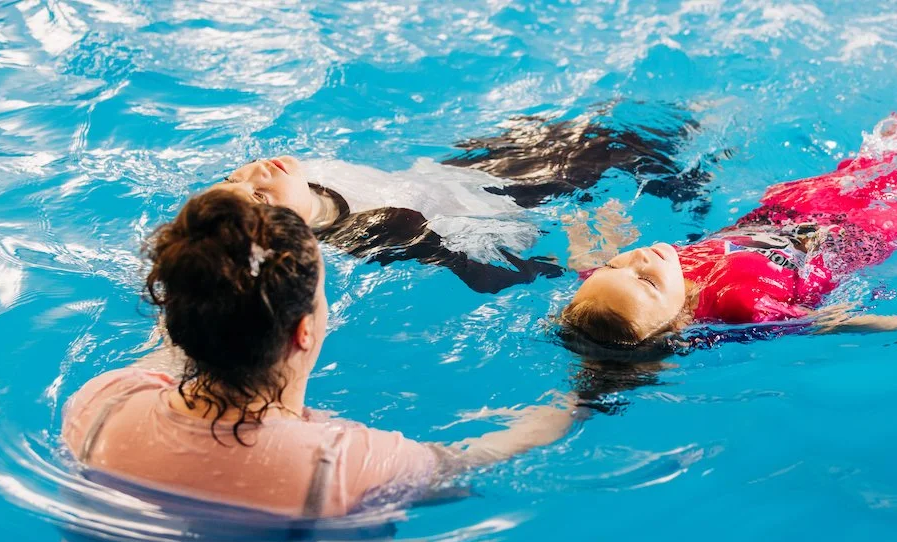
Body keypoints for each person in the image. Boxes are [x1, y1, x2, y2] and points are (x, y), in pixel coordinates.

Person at [62, 188, 577, 517]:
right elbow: (486, 459)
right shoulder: (345, 464)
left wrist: (211, 261)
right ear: (303, 332)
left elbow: (176, 337)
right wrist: (600, 377)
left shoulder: (101, 404)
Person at [559, 51, 897, 349]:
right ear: (675, 325)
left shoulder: (619, 288)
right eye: (647, 280)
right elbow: (836, 322)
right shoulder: (743, 310)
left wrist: (588, 223)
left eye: (619, 265)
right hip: (859, 236)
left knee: (888, 148)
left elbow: (592, 261)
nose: (639, 260)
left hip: (790, 210)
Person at [212, 103, 712, 294]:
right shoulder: (373, 229)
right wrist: (550, 272)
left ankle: (686, 127)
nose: (258, 170)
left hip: (464, 168)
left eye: (237, 176)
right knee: (631, 147)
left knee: (594, 122)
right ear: (286, 225)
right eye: (259, 192)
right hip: (499, 199)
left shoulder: (303, 176)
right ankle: (695, 155)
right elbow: (467, 265)